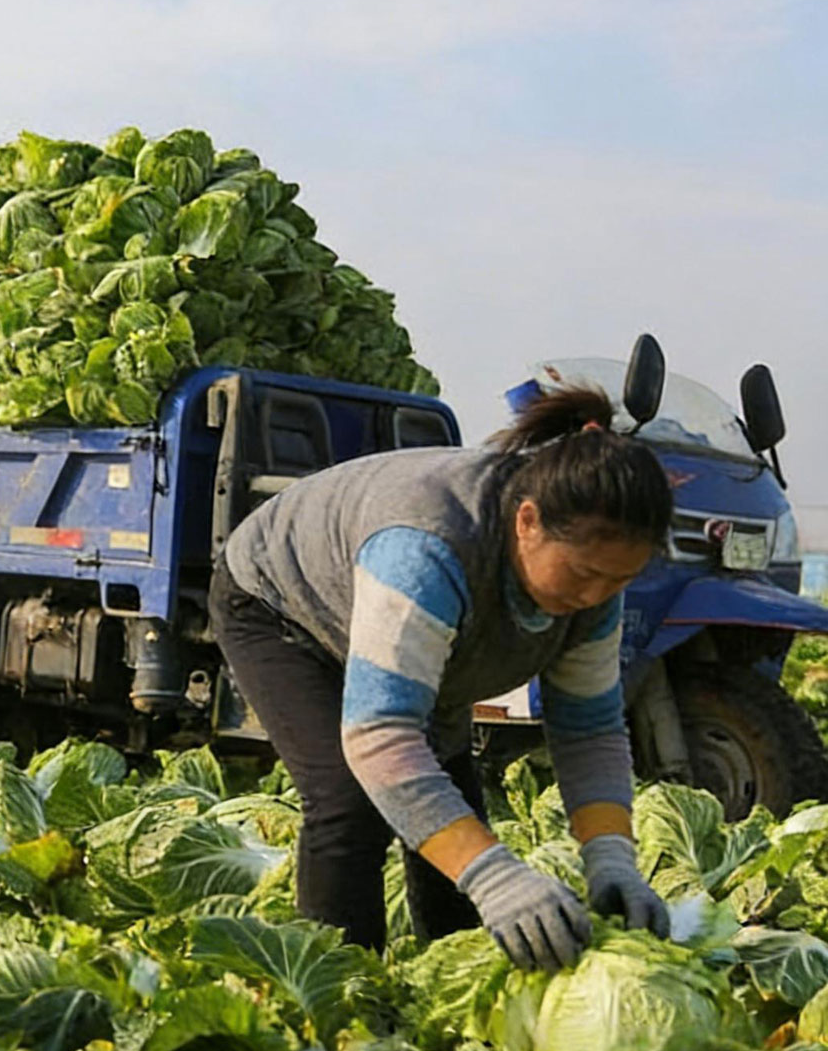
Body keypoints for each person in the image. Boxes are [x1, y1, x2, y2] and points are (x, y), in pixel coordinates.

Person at [210, 384, 673, 970]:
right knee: (350, 802)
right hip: (283, 600)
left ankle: (449, 982)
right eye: (584, 574)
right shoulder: (427, 546)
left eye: (617, 580)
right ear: (527, 522)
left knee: (448, 801)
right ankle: (341, 1001)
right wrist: (494, 877)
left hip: (411, 628)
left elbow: (589, 728)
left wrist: (611, 860)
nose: (596, 595)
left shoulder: (593, 588)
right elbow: (380, 737)